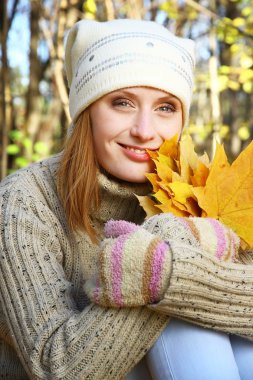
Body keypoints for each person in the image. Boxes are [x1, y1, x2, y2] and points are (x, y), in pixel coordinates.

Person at [0, 18, 253, 380]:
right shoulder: (22, 202)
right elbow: (56, 369)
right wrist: (163, 251)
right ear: (86, 111)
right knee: (186, 326)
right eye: (122, 103)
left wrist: (167, 273)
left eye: (165, 107)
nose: (145, 131)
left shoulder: (198, 191)